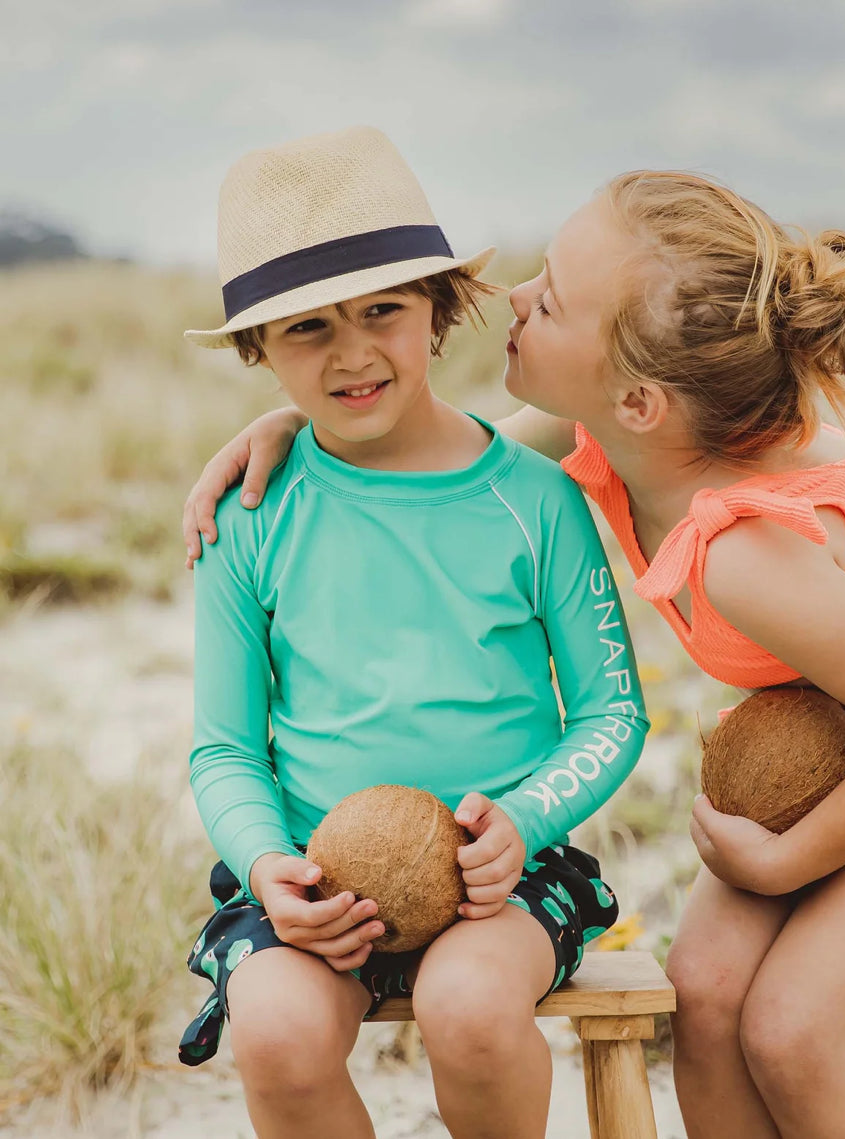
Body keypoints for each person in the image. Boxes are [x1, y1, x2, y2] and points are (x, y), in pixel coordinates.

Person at [184, 168, 845, 1139]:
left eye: (554, 295)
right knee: (702, 989)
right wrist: (294, 418)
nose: (517, 297)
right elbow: (431, 456)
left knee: (792, 1028)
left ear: (640, 398)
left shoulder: (742, 553)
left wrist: (786, 862)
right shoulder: (599, 427)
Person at [177, 126, 648, 1139]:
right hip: (309, 875)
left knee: (470, 1010)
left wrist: (522, 816)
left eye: (381, 310)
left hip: (510, 876)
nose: (352, 352)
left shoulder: (536, 500)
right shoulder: (248, 517)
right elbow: (222, 746)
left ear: (438, 304)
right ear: (258, 349)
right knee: (277, 1035)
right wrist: (268, 868)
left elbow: (612, 712)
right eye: (306, 328)